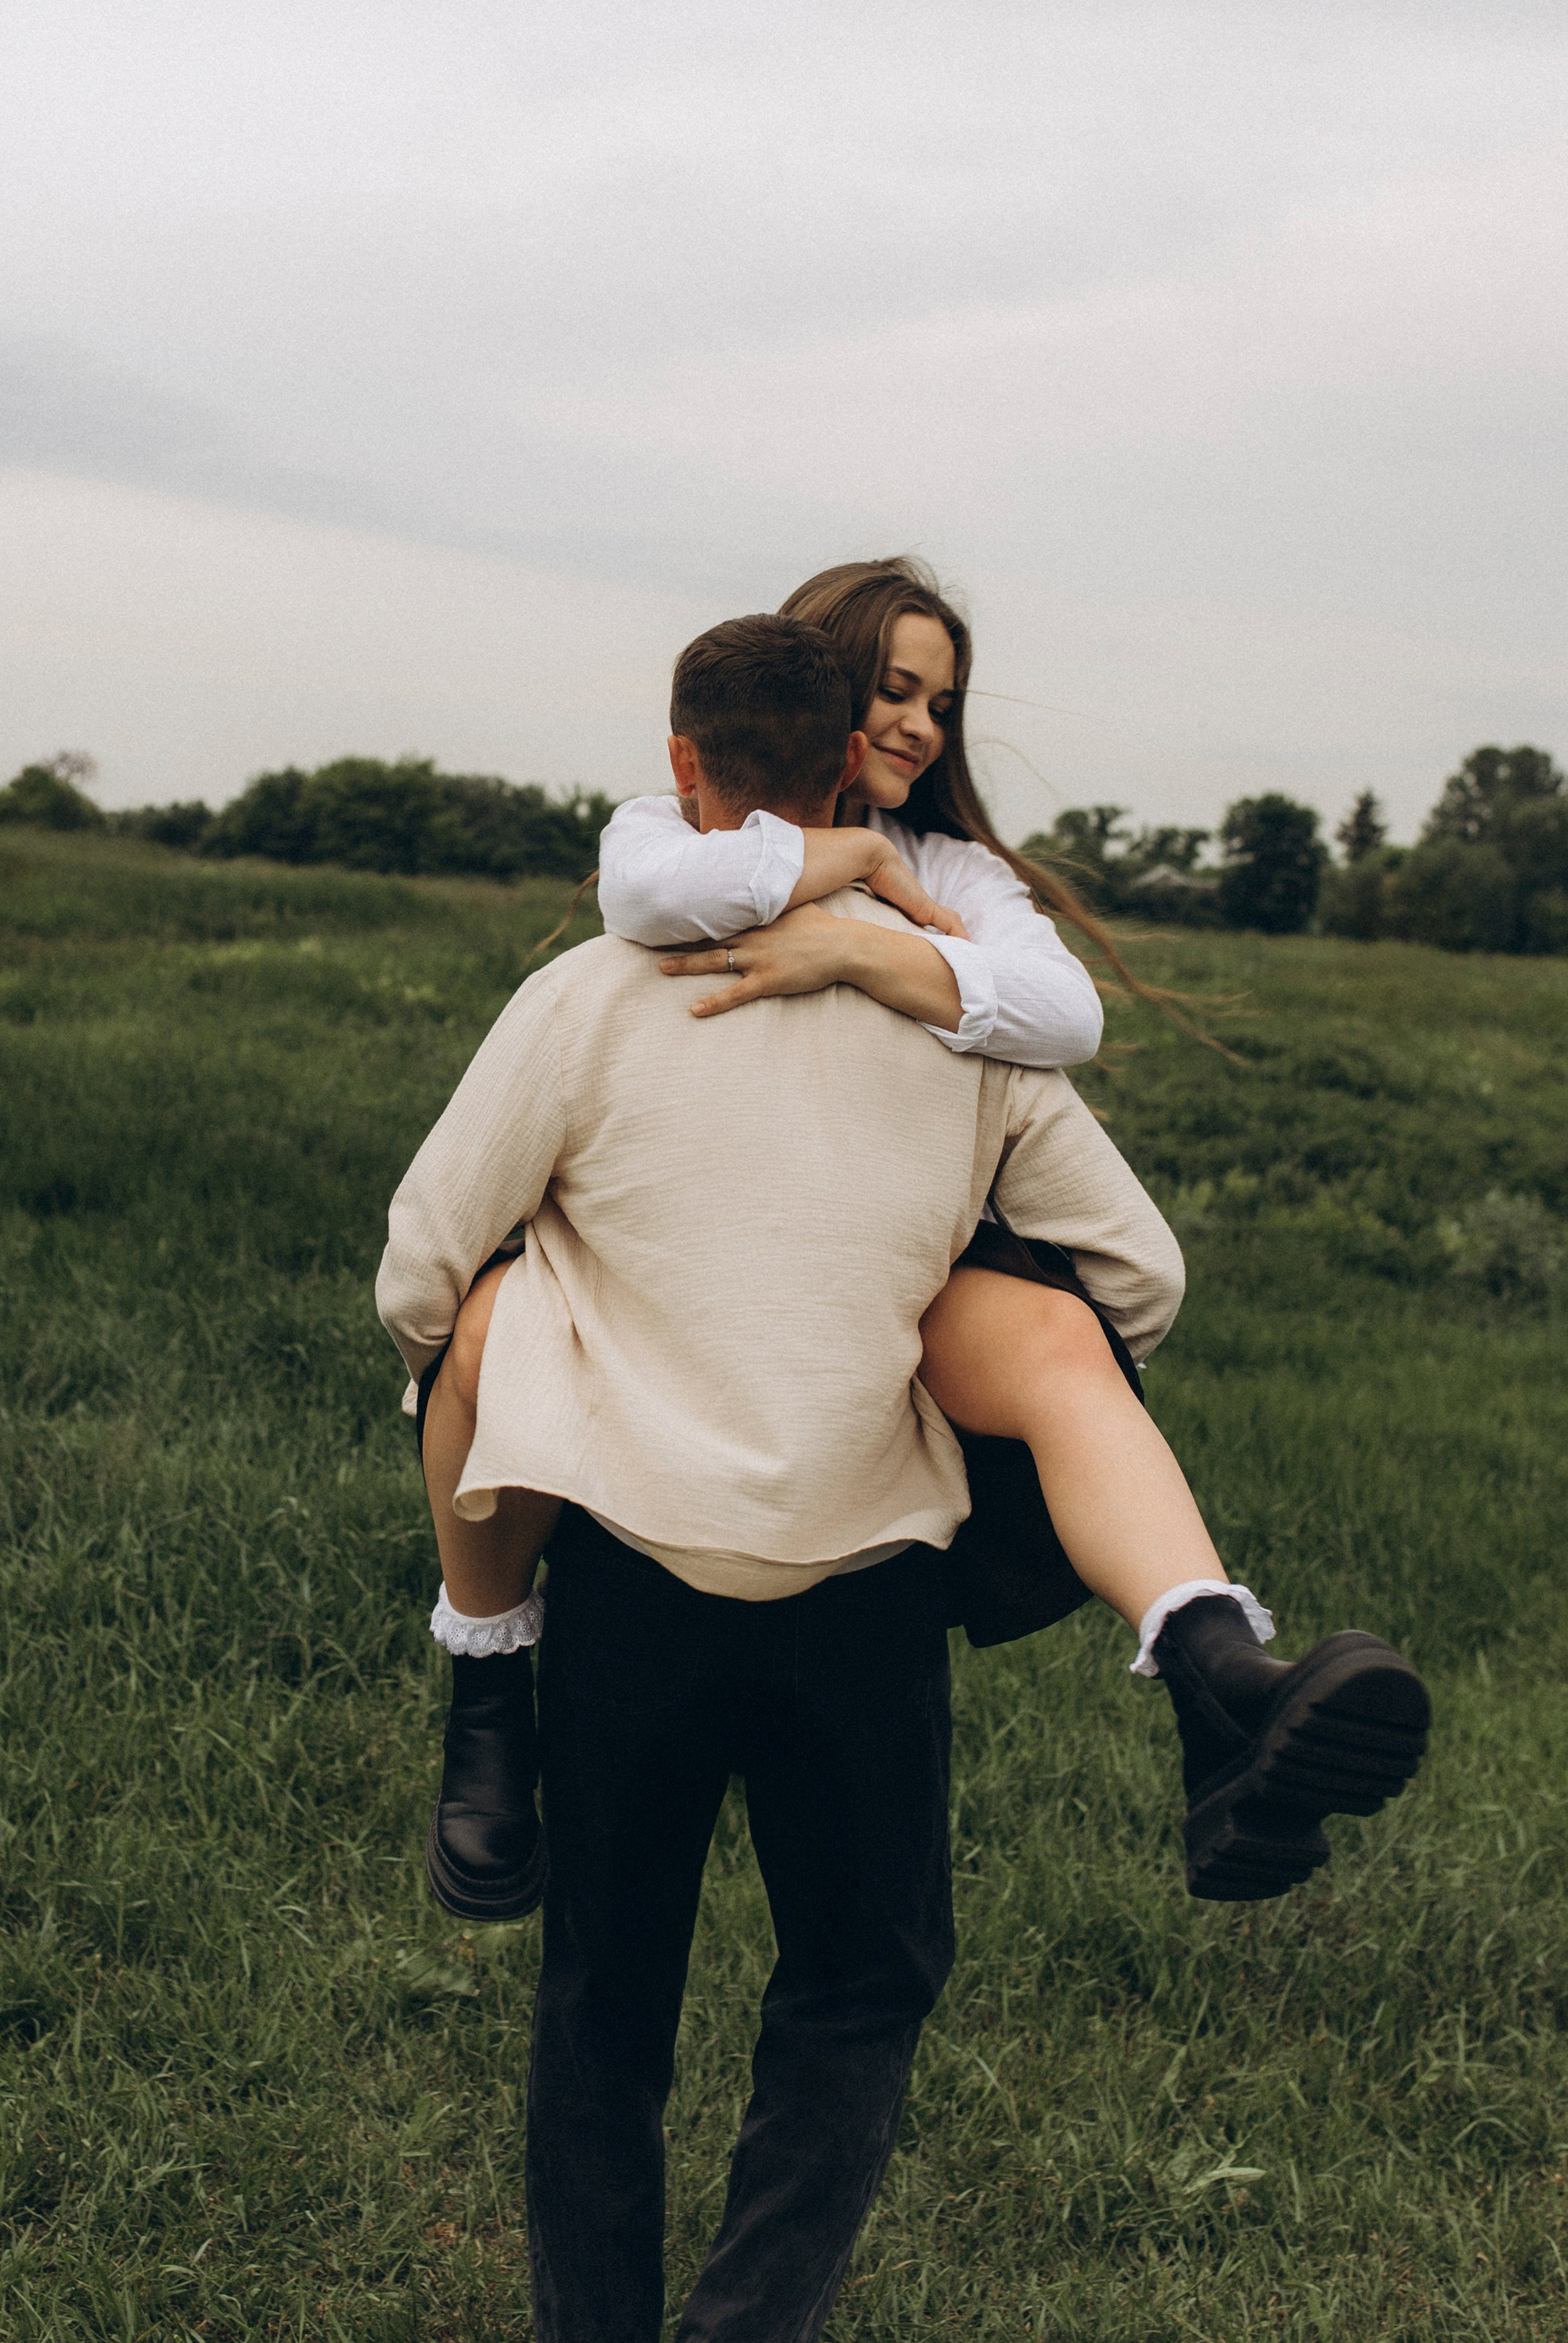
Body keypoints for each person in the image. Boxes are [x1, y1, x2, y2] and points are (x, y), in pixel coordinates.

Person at [378, 616, 1428, 2343]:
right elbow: (1139, 1276)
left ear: (688, 773)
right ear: (865, 764)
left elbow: (421, 1266)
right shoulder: (968, 1028)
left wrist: (563, 1321)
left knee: (606, 1988)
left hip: (627, 1572)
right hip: (862, 1587)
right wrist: (932, 1309)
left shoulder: (587, 995)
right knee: (855, 1983)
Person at [418, 552, 1427, 1921]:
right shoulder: (671, 846)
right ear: (826, 702)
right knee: (1070, 1325)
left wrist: (859, 947)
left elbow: (1067, 1015)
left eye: (941, 705)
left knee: (1044, 1336)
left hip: (888, 1296)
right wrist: (832, 865)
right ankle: (488, 1678)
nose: (919, 728)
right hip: (788, 1329)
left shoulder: (951, 875)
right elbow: (643, 895)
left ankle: (1222, 1678)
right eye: (893, 692)